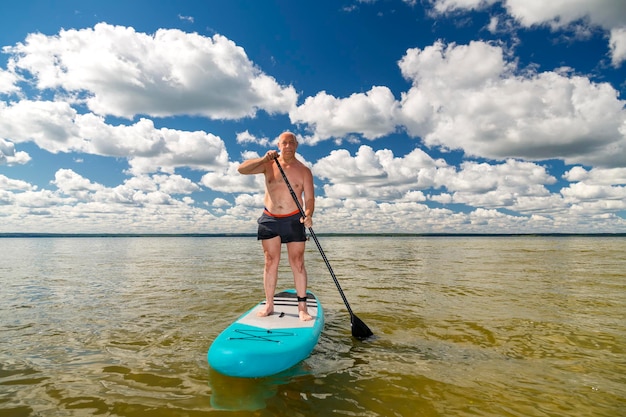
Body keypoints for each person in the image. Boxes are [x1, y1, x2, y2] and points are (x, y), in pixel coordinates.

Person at [237, 131, 315, 321]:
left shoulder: (304, 170)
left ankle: (302, 308)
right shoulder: (269, 164)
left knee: (297, 262)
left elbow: (310, 198)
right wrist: (263, 158)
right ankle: (269, 304)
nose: (288, 146)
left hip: (294, 219)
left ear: (296, 145)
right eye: (284, 143)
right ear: (278, 145)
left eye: (291, 142)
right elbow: (242, 169)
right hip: (270, 218)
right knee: (270, 261)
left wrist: (309, 214)